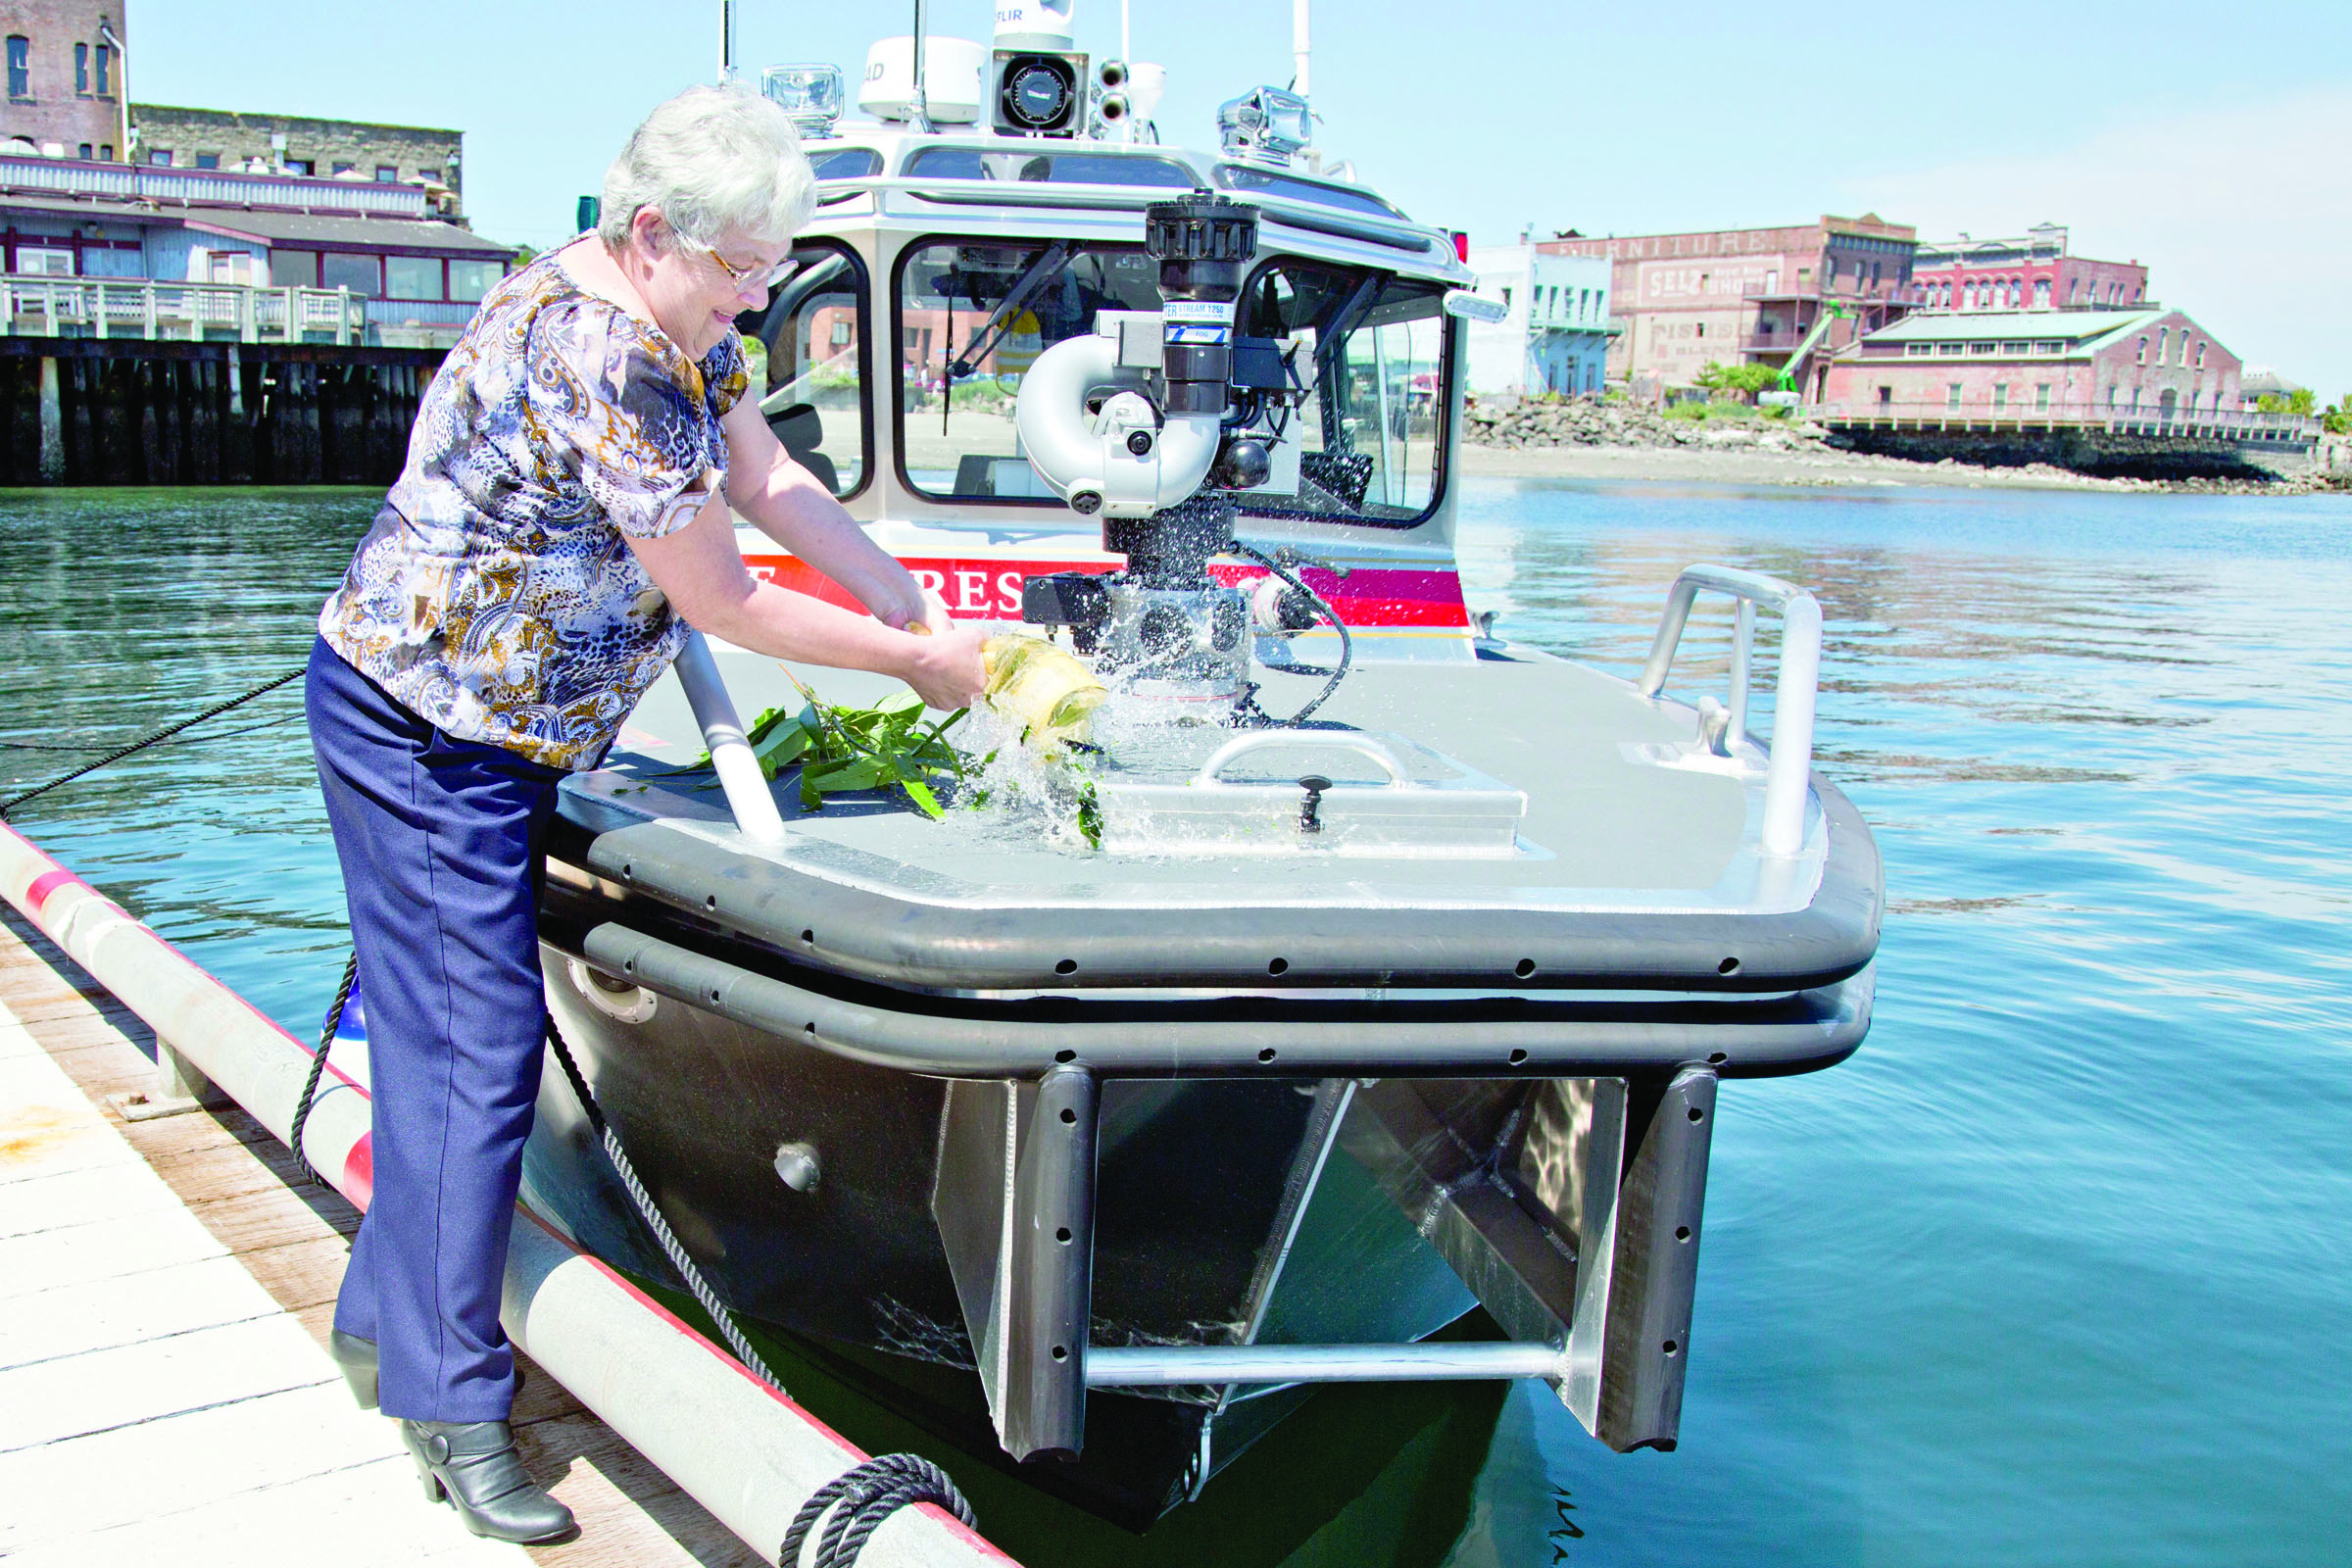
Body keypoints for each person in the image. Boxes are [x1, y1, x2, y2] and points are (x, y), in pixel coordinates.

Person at [303, 86, 984, 1544]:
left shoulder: (688, 326)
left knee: (451, 1053)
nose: (759, 294)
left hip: (505, 728)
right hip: (425, 730)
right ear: (653, 230)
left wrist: (898, 589)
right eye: (743, 264)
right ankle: (448, 1405)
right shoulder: (600, 348)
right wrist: (920, 665)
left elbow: (772, 476)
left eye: (772, 266)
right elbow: (721, 596)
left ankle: (382, 1326)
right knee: (472, 1066)